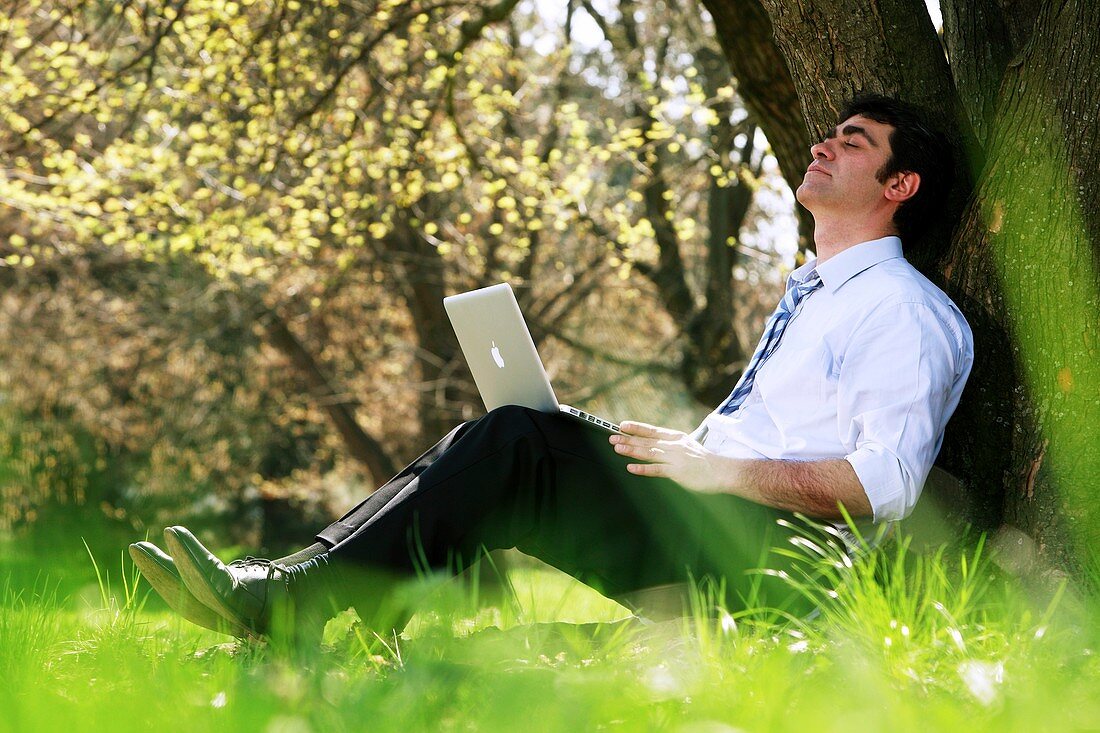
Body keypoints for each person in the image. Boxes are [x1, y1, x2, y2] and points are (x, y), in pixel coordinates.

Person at [130, 93, 974, 641]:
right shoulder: (819, 294)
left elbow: (886, 483)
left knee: (520, 443)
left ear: (900, 184)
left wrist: (717, 470)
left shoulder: (905, 311)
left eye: (852, 143)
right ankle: (299, 593)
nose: (824, 145)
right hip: (724, 521)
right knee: (505, 441)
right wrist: (688, 456)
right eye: (828, 134)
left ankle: (290, 602)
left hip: (783, 563)